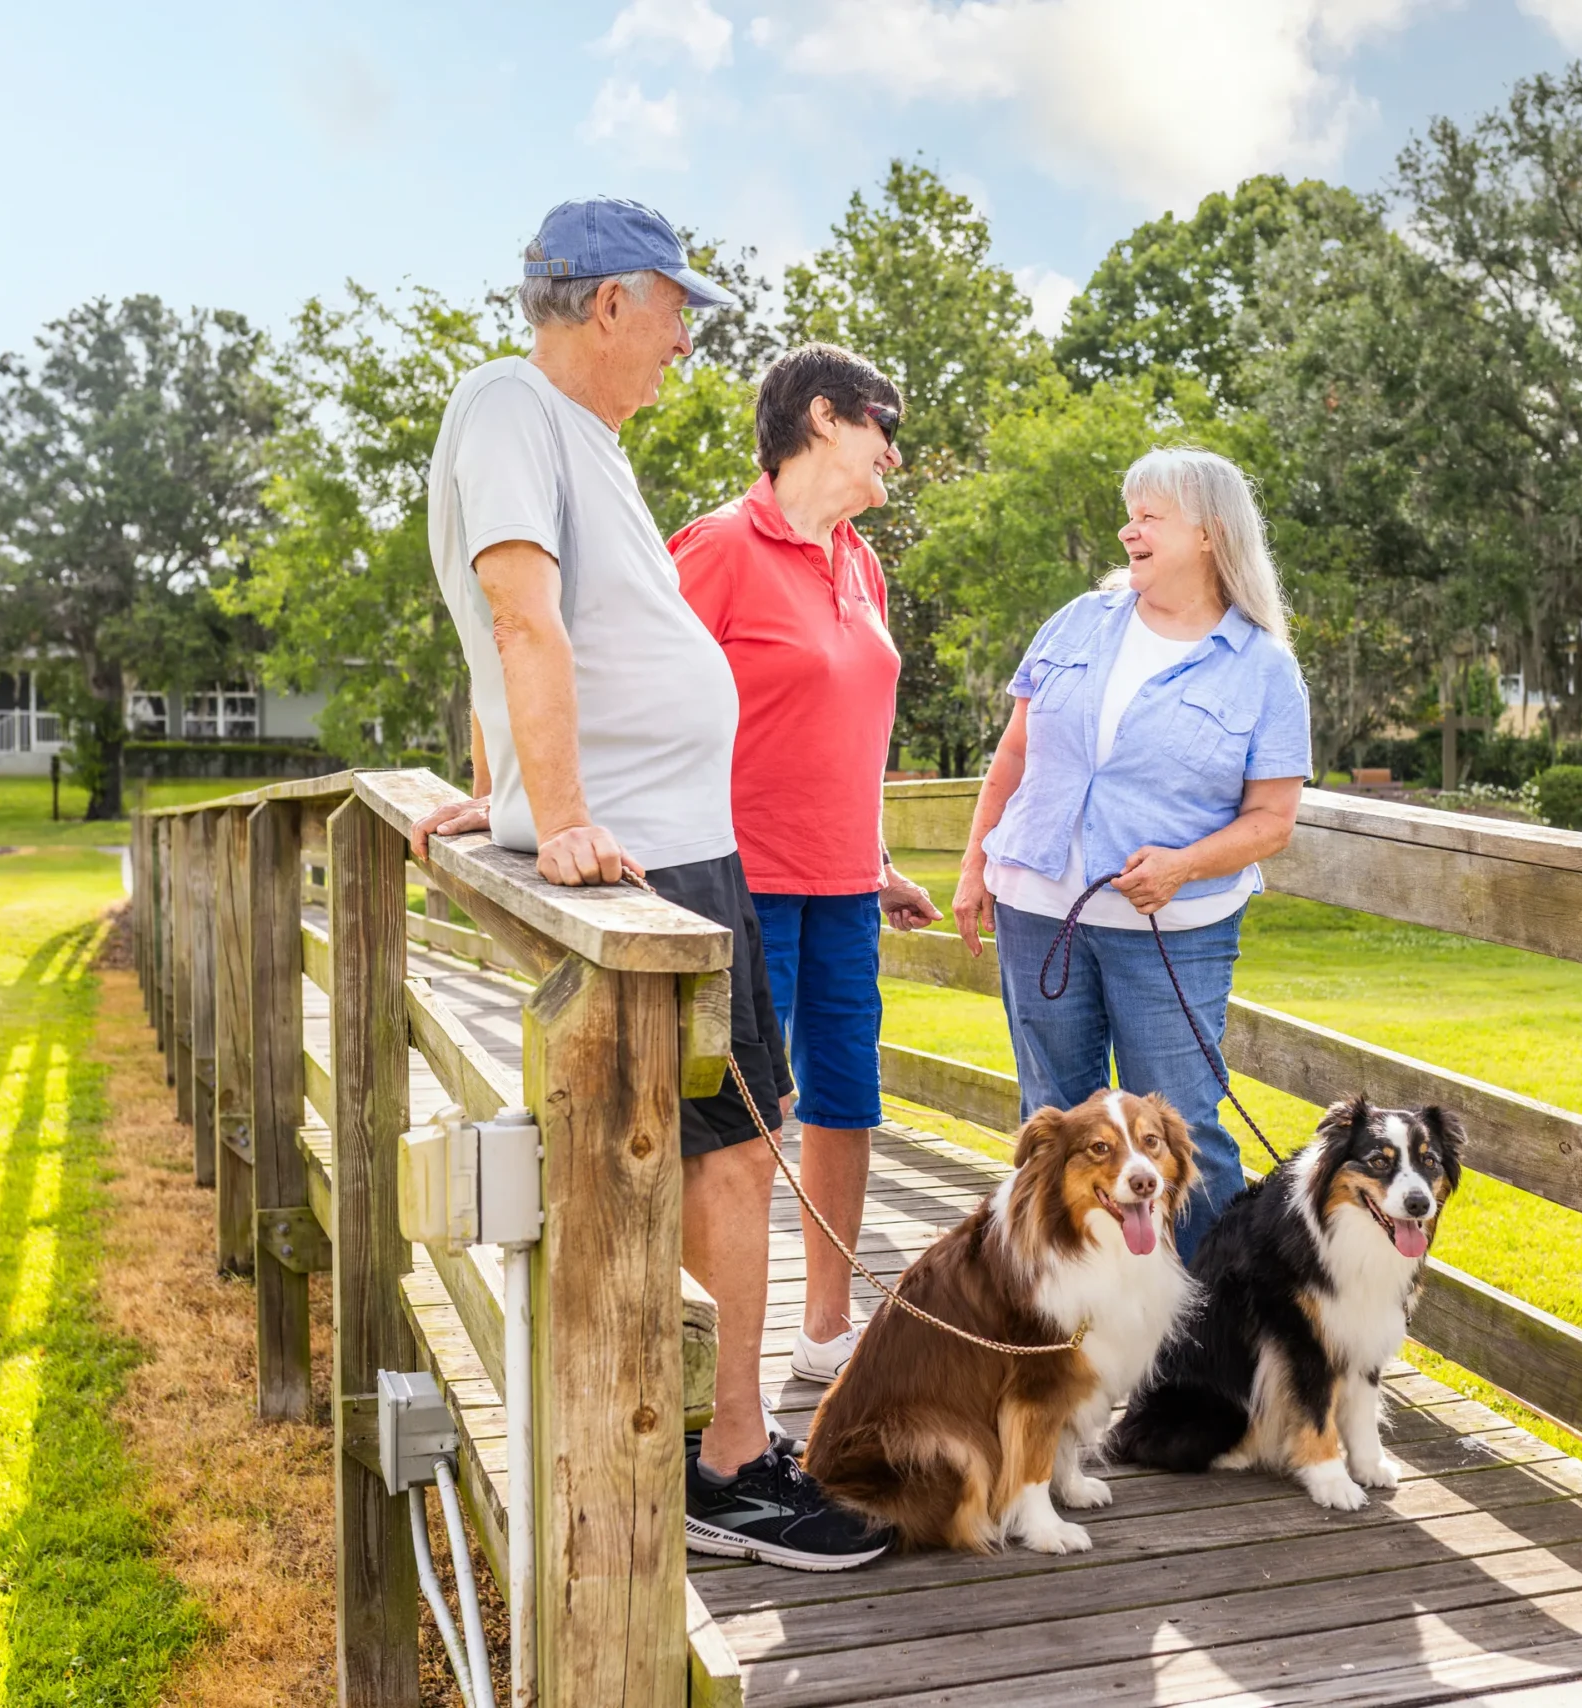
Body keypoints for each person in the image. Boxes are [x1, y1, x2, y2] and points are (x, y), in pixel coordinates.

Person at [409, 196, 887, 1572]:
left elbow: (561, 635)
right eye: (678, 309)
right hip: (644, 859)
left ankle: (726, 1439)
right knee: (724, 1157)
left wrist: (504, 782)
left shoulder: (589, 444)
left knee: (735, 1144)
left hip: (685, 846)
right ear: (610, 301)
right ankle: (730, 1460)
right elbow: (517, 609)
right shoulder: (510, 403)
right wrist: (552, 818)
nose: (687, 340)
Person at [952, 448, 1309, 1261]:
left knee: (1183, 1131)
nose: (1128, 529)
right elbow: (1012, 759)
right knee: (1058, 1130)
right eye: (1129, 513)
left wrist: (1183, 864)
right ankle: (1075, 1329)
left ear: (1209, 533)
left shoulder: (1263, 669)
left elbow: (1273, 821)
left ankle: (1208, 1340)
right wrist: (976, 865)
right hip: (1041, 913)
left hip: (1174, 932)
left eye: (1148, 516)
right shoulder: (1078, 622)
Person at [669, 345, 942, 1386]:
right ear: (824, 418)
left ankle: (825, 1331)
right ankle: (712, 1349)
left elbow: (846, 731)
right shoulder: (717, 547)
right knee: (742, 1124)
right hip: (740, 885)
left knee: (844, 1101)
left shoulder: (857, 561)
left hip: (841, 892)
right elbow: (628, 696)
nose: (896, 452)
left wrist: (874, 859)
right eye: (886, 424)